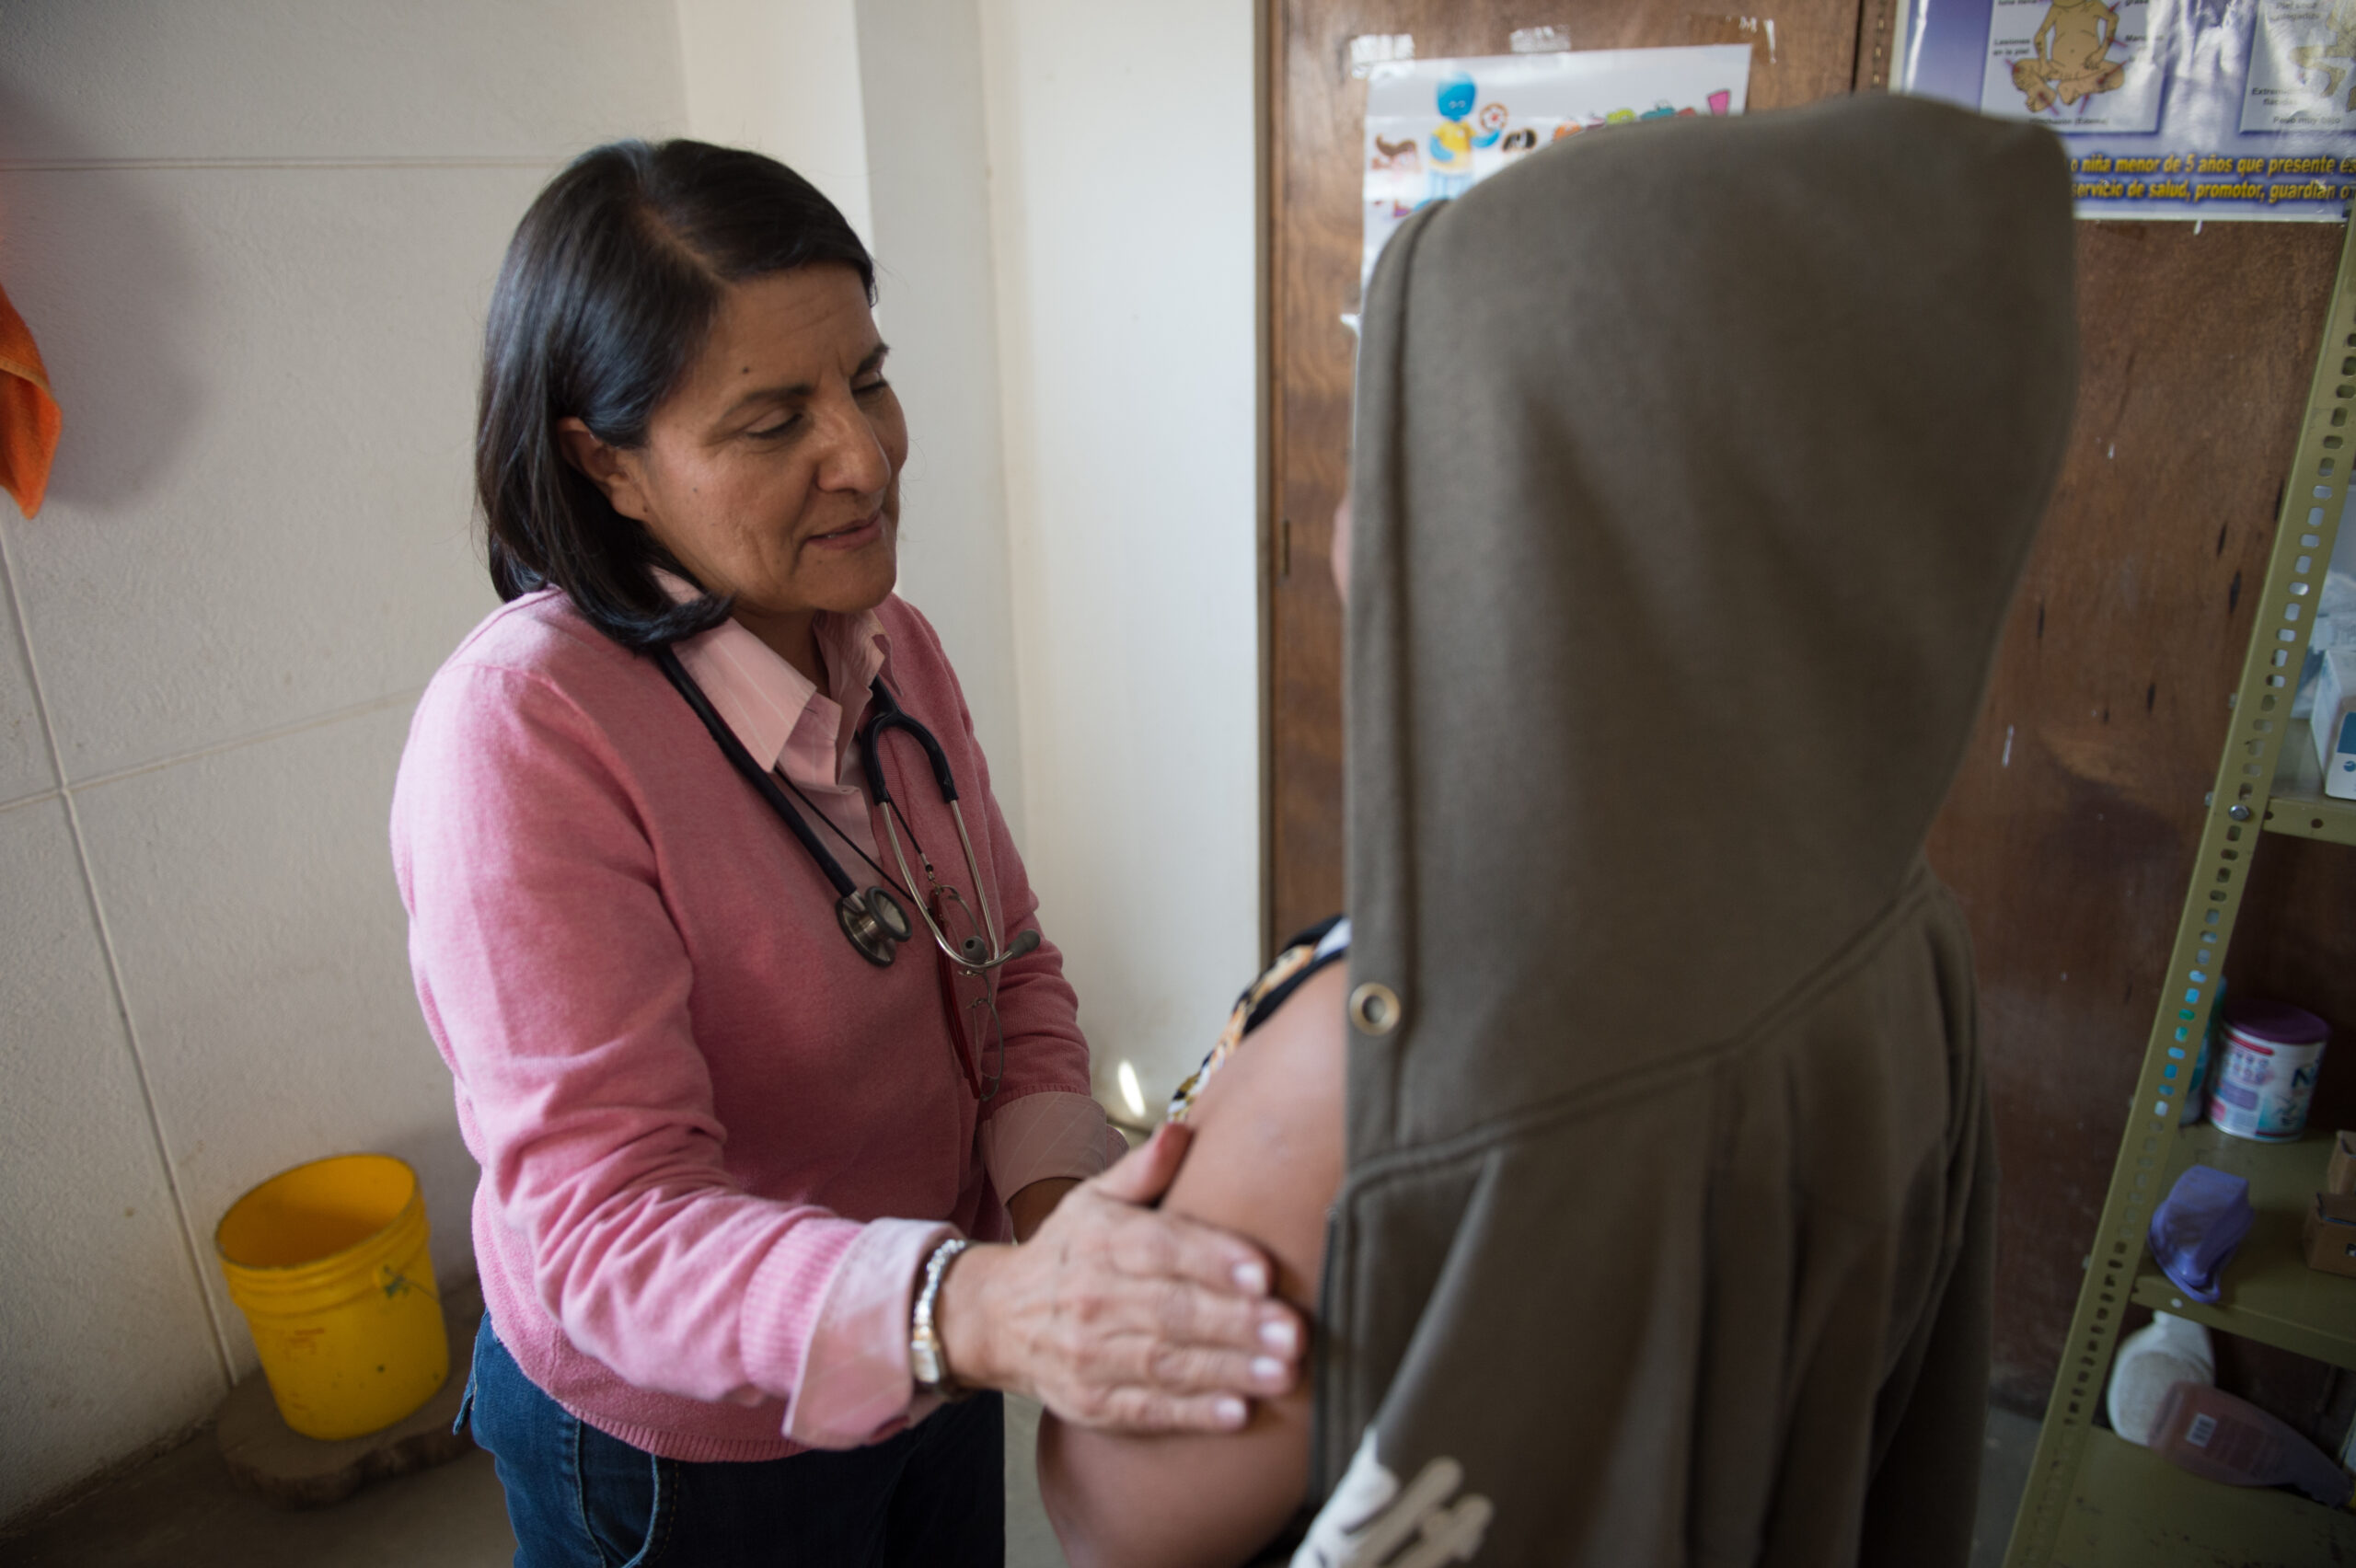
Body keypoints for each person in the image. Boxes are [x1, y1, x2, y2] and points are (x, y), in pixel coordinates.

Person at [1038, 92, 2075, 1567]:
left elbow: (1109, 1509)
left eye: (1417, 448)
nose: (1348, 518)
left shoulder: (1371, 1067)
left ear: (1576, 516)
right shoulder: (1890, 918)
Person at [390, 140, 1302, 1567]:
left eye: (867, 379)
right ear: (604, 462)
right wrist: (982, 1306)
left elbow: (1011, 980)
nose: (865, 457)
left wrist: (1065, 1236)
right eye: (771, 422)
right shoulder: (526, 736)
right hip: (691, 1451)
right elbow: (608, 1235)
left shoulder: (890, 646)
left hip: (929, 1353)